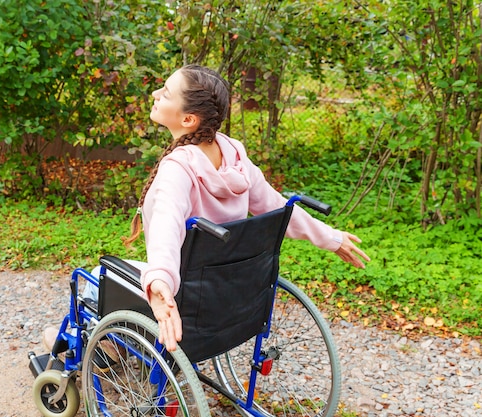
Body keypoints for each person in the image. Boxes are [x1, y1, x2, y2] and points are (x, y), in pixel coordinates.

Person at [44, 64, 370, 356]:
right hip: (226, 292)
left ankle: (97, 350)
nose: (156, 94)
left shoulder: (178, 169)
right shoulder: (233, 155)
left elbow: (167, 229)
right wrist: (330, 237)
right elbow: (275, 206)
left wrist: (160, 282)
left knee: (95, 279)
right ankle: (117, 346)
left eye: (166, 92)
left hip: (186, 292)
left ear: (188, 119)